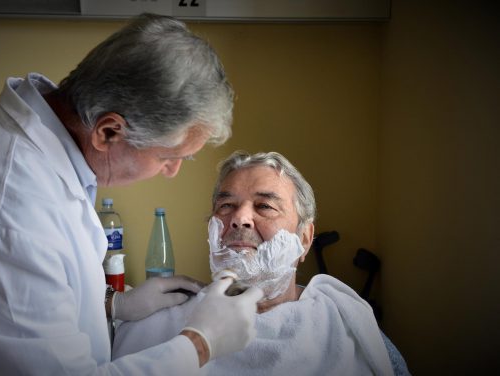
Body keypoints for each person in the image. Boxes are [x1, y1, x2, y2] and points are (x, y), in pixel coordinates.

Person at [0, 14, 264, 375]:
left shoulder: (35, 146)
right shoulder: (9, 212)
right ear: (108, 132)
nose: (172, 172)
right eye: (168, 157)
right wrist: (200, 344)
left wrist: (112, 305)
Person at [113, 151, 411, 376]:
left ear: (305, 239)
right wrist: (111, 305)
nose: (239, 218)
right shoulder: (154, 321)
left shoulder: (349, 328)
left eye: (265, 206)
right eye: (226, 205)